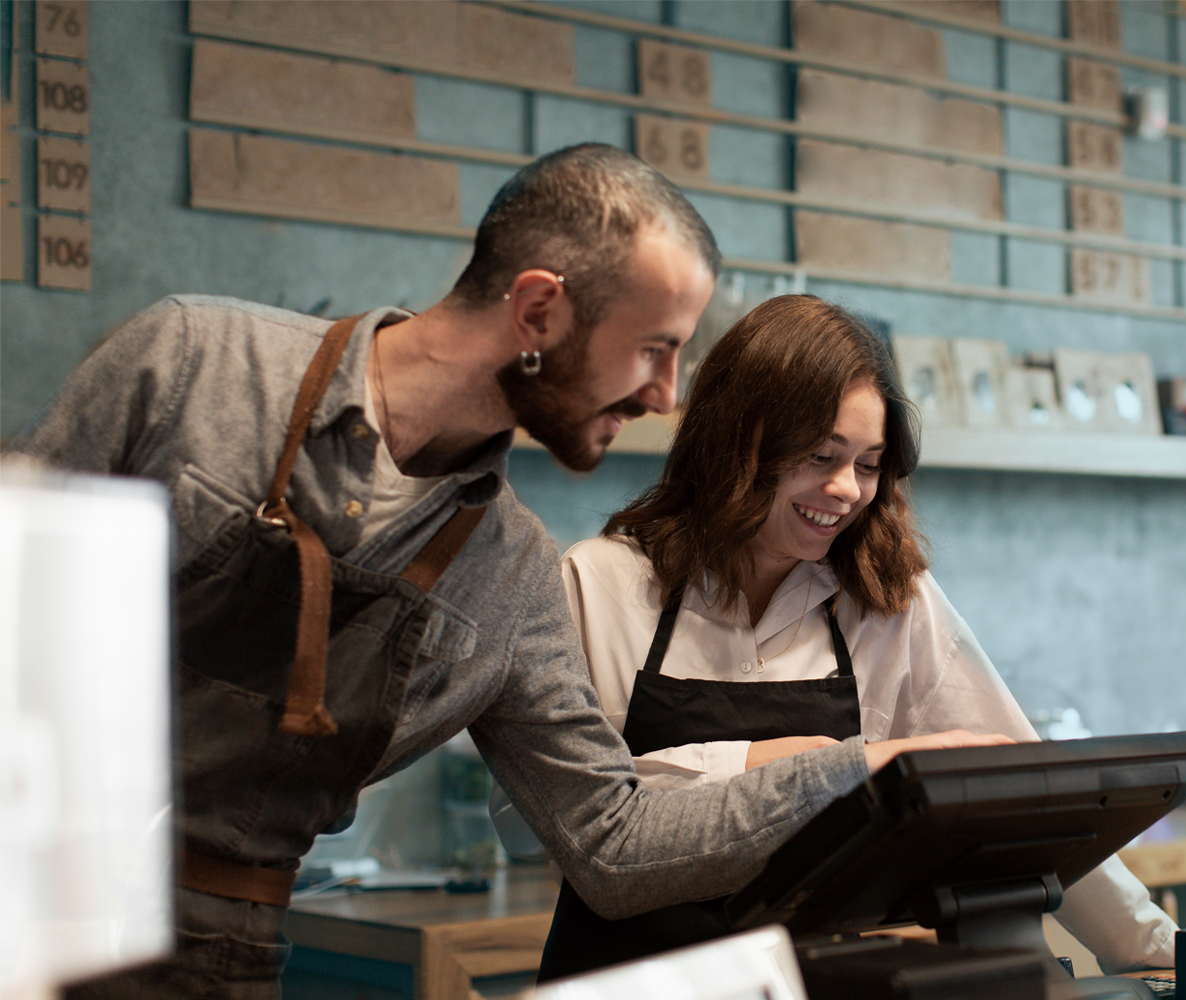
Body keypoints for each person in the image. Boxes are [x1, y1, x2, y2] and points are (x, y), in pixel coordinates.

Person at [8, 144, 1006, 999]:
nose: (665, 397)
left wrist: (858, 770)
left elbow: (611, 843)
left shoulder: (512, 574)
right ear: (538, 311)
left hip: (221, 953)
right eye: (654, 351)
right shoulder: (194, 364)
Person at [542, 293, 1179, 979]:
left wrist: (1162, 952)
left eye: (869, 464)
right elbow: (561, 826)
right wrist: (798, 763)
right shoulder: (597, 585)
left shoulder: (887, 598)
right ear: (737, 440)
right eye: (821, 455)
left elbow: (1029, 802)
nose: (846, 488)